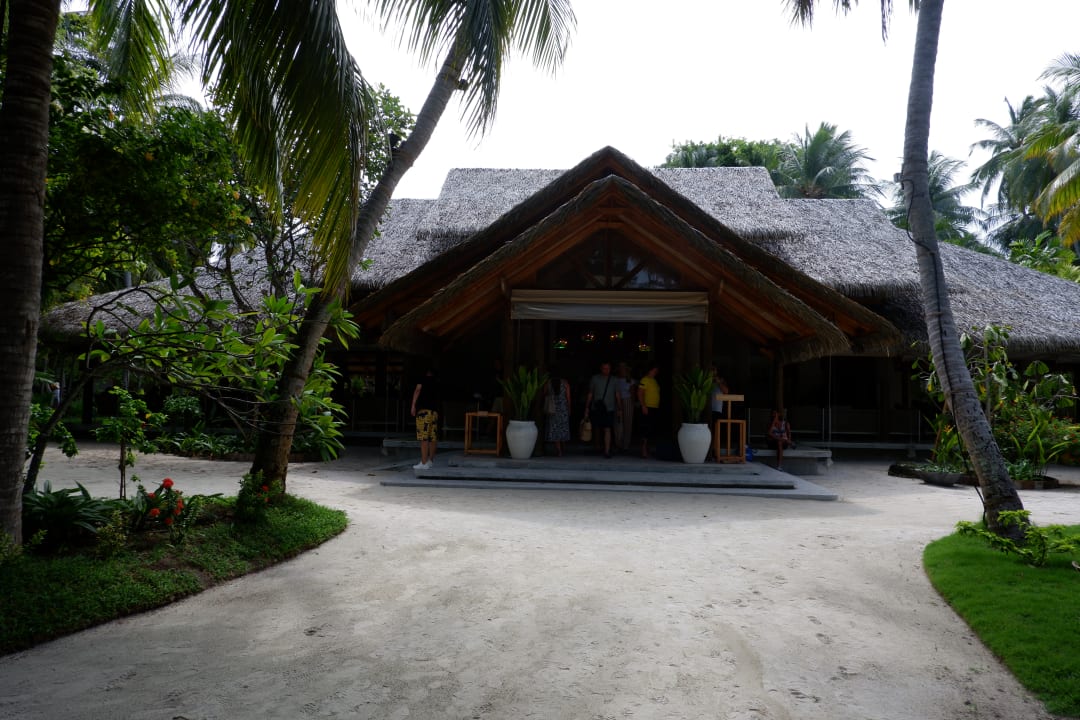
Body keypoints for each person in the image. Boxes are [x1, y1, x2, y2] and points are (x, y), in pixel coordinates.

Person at [585, 361, 618, 458]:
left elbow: (617, 394)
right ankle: (597, 446)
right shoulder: (595, 378)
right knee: (597, 427)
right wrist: (587, 407)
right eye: (604, 368)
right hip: (597, 407)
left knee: (607, 428)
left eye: (607, 368)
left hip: (609, 408)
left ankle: (606, 450)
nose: (606, 370)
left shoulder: (614, 380)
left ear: (610, 369)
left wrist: (619, 408)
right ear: (601, 368)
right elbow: (590, 393)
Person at [411, 368, 440, 470]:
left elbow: (418, 390)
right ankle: (430, 461)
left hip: (424, 411)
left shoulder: (422, 379)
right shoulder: (436, 381)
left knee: (424, 437)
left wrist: (413, 405)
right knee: (432, 437)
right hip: (434, 412)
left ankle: (423, 463)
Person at [542, 365, 571, 457]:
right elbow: (568, 398)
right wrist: (569, 408)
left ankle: (559, 450)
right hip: (563, 409)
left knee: (554, 430)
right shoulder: (565, 383)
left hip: (552, 409)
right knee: (562, 428)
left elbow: (544, 394)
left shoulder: (548, 383)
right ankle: (563, 447)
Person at [637, 366, 661, 458]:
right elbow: (639, 393)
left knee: (651, 428)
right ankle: (643, 450)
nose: (656, 372)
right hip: (647, 407)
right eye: (654, 370)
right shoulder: (644, 380)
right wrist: (643, 405)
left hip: (654, 407)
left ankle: (647, 448)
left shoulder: (654, 380)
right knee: (645, 428)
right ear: (650, 370)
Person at [613, 362, 635, 452]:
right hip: (617, 401)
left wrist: (633, 403)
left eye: (624, 368)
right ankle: (618, 443)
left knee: (627, 423)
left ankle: (626, 444)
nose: (622, 370)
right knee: (617, 423)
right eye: (621, 368)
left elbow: (633, 393)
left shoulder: (631, 381)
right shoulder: (615, 380)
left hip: (627, 401)